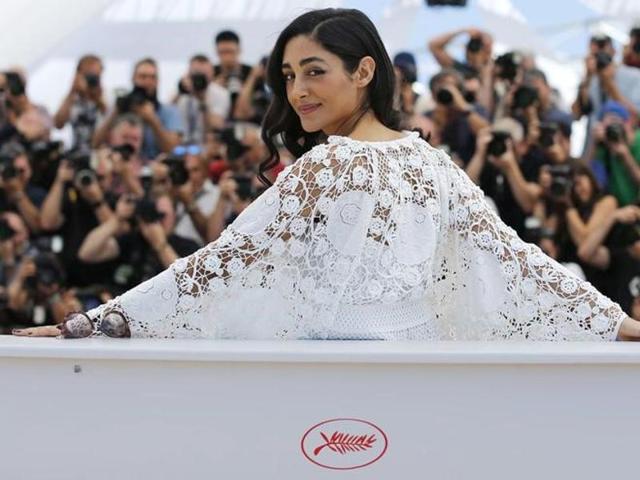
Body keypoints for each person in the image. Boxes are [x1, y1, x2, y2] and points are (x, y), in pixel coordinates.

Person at [13, 8, 640, 341]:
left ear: (364, 71)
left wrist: (95, 323)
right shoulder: (431, 162)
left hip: (326, 391)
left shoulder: (330, 164)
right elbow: (516, 262)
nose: (299, 91)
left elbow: (221, 266)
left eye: (315, 71)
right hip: (415, 388)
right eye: (288, 76)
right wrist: (613, 324)